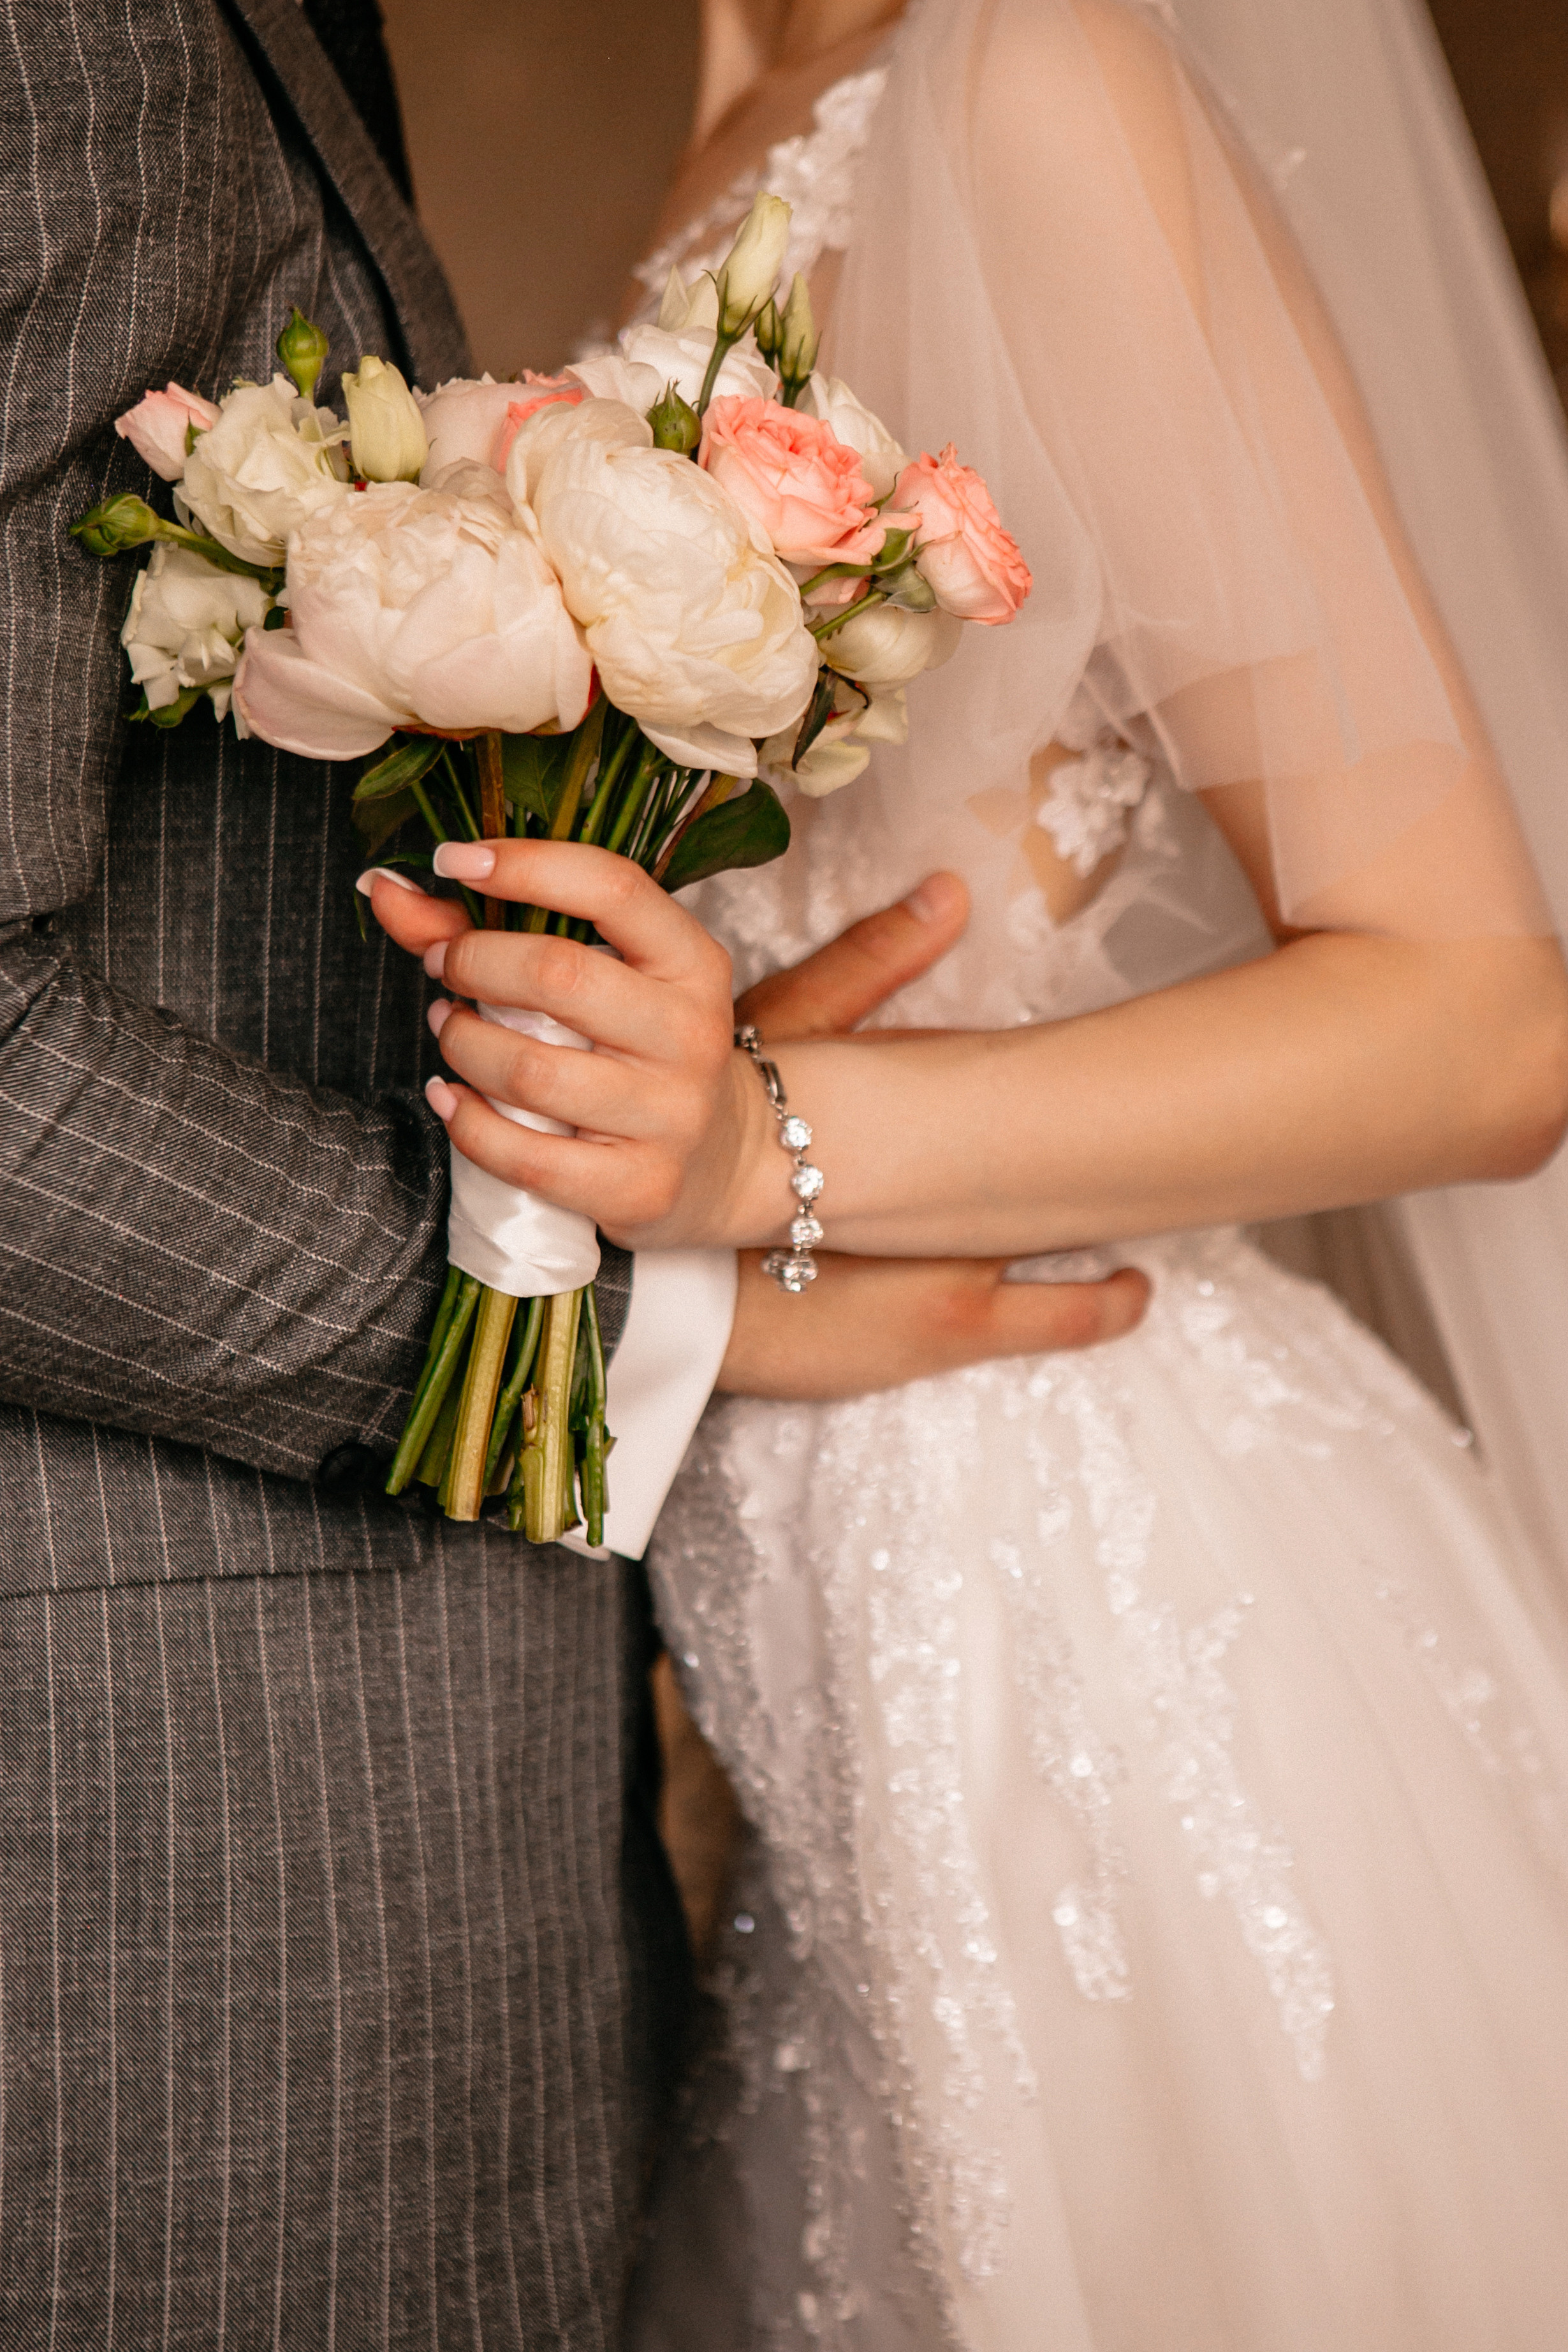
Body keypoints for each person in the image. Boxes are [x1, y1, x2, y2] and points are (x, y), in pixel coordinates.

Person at [383, 0, 1568, 2342]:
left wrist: (752, 1144)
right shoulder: (743, 98)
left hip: (1114, 1610)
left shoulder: (1028, 71)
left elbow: (1476, 1020)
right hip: (825, 1638)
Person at [0, 0, 1144, 2341]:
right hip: (196, 1819)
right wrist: (650, 1270)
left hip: (789, 1544)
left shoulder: (996, 78)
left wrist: (742, 1154)